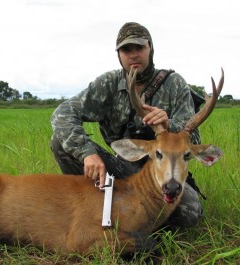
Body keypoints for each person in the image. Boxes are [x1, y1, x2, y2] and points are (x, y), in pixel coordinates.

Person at [50, 22, 203, 229]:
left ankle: (130, 219)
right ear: (119, 54)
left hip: (162, 172)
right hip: (122, 166)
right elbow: (62, 114)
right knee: (60, 143)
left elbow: (194, 141)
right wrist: (87, 153)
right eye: (126, 49)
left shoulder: (174, 84)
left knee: (188, 213)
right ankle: (90, 210)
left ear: (150, 48)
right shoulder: (109, 83)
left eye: (139, 48)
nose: (133, 55)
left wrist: (170, 124)